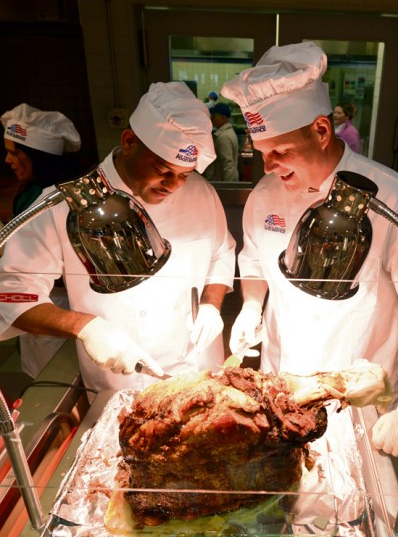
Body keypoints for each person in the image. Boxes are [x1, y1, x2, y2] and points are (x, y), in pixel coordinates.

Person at [221, 42, 398, 458]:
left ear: (321, 131)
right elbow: (254, 262)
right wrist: (251, 307)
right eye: (261, 153)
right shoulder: (266, 194)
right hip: (283, 389)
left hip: (358, 399)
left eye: (281, 152)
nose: (268, 167)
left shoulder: (394, 199)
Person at [0, 82, 236, 391]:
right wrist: (85, 328)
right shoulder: (66, 204)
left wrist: (211, 305)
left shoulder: (200, 193)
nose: (173, 185)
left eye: (184, 174)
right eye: (162, 169)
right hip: (121, 379)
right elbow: (12, 295)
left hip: (197, 368)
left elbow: (221, 253)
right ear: (128, 142)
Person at [1, 103, 81, 378]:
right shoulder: (33, 192)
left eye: (14, 153)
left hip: (55, 305)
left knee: (56, 377)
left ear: (37, 156)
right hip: (44, 305)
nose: (7, 161)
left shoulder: (47, 200)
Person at [209, 102, 239, 181]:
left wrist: (228, 187)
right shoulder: (227, 133)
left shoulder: (224, 137)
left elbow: (228, 165)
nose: (212, 119)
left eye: (215, 116)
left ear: (224, 118)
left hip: (223, 180)